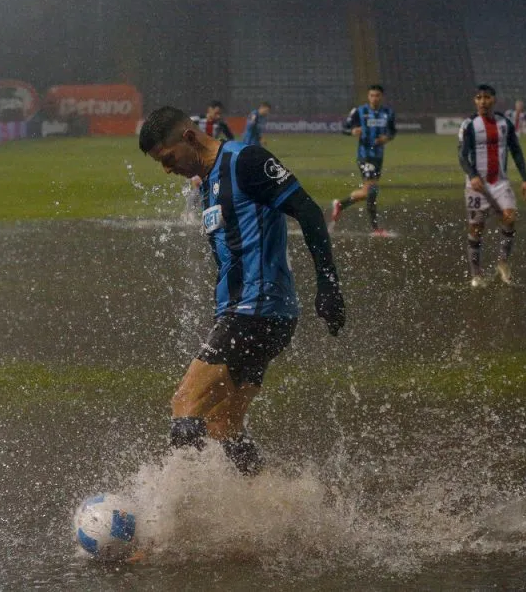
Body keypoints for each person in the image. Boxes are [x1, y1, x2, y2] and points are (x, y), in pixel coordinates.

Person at [139, 106, 345, 476]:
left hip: (254, 310)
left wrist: (328, 285)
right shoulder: (208, 182)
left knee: (186, 403)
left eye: (168, 159)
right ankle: (266, 498)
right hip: (262, 315)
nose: (167, 170)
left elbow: (309, 212)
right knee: (223, 424)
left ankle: (181, 505)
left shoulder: (245, 160)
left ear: (188, 137)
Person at [458, 84, 526, 287]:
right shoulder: (470, 125)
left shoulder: (504, 123)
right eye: (479, 97)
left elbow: (516, 151)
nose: (483, 101)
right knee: (476, 228)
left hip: (499, 182)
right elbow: (462, 156)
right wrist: (472, 175)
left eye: (487, 97)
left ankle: (503, 263)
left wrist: (525, 178)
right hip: (476, 185)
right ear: (475, 101)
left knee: (509, 217)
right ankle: (476, 274)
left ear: (494, 100)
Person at [329, 85, 397, 233]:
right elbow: (344, 128)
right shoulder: (359, 111)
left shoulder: (388, 113)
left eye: (377, 95)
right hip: (364, 155)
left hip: (378, 156)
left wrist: (387, 137)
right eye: (372, 95)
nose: (374, 98)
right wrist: (352, 130)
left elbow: (392, 131)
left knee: (370, 191)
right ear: (368, 96)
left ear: (381, 97)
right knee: (370, 191)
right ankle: (374, 228)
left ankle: (341, 205)